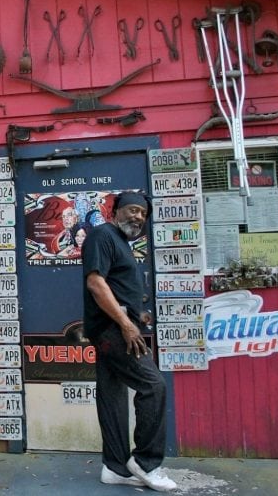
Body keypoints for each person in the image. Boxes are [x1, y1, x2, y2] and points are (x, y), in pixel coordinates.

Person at [81, 191, 176, 492]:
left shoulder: (121, 242)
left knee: (112, 396)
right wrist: (125, 324)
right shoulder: (102, 235)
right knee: (153, 385)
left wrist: (138, 316)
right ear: (115, 211)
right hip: (112, 330)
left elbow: (116, 286)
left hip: (117, 326)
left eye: (143, 214)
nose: (138, 217)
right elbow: (96, 283)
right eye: (132, 210)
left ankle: (115, 467)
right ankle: (146, 462)